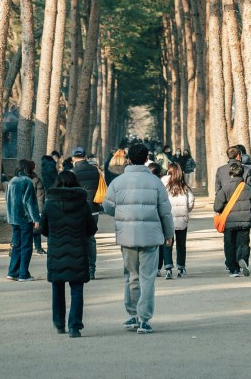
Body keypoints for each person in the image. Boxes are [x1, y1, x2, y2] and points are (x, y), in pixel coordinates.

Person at [102, 140, 174, 335]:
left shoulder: (117, 182)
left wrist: (122, 213)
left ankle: (132, 314)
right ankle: (144, 319)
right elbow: (165, 212)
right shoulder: (155, 182)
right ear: (146, 159)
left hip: (127, 236)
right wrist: (169, 235)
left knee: (132, 276)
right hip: (151, 237)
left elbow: (107, 207)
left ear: (128, 159)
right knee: (147, 278)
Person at [40, 169, 97, 337]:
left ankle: (59, 323)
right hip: (78, 251)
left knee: (57, 288)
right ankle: (75, 326)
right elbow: (91, 229)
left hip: (56, 251)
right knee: (77, 289)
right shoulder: (83, 203)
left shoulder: (49, 203)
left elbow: (43, 229)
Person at [213, 161, 251, 277]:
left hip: (229, 221)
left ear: (230, 174)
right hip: (245, 220)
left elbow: (217, 206)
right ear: (242, 173)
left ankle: (233, 269)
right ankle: (243, 260)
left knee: (230, 244)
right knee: (243, 243)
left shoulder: (225, 189)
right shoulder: (248, 188)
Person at [6, 159, 41, 281]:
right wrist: (36, 219)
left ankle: (12, 271)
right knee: (26, 246)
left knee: (16, 245)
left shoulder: (12, 181)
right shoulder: (27, 181)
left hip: (13, 218)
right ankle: (23, 273)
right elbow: (30, 203)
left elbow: (7, 200)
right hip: (25, 218)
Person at [71, 146, 101, 279]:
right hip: (93, 209)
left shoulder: (72, 172)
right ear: (85, 157)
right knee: (91, 239)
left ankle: (80, 267)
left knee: (77, 238)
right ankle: (91, 268)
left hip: (78, 210)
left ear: (73, 158)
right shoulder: (95, 171)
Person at [161, 162, 194, 278]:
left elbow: (160, 201)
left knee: (167, 243)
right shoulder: (184, 187)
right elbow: (190, 203)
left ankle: (168, 268)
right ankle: (181, 267)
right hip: (182, 220)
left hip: (167, 219)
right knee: (181, 244)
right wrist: (185, 211)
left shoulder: (164, 185)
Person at [28, 160, 46, 255]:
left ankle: (19, 247)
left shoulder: (18, 180)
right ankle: (38, 248)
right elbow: (40, 197)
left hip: (22, 210)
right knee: (36, 228)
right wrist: (40, 211)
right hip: (34, 207)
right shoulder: (36, 180)